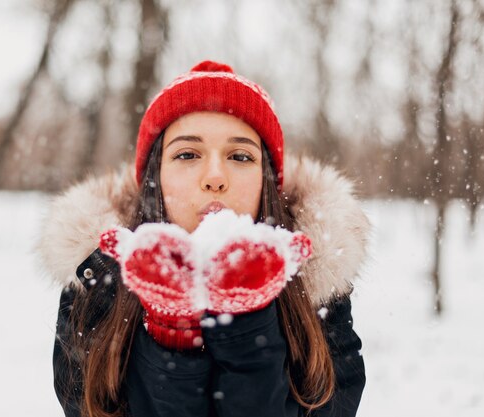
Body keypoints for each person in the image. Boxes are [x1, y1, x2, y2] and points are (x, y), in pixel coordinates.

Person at [37, 60, 371, 417]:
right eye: (187, 154)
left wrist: (247, 321)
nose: (215, 177)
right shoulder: (98, 286)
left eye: (240, 156)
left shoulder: (315, 289)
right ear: (155, 177)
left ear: (266, 183)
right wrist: (173, 331)